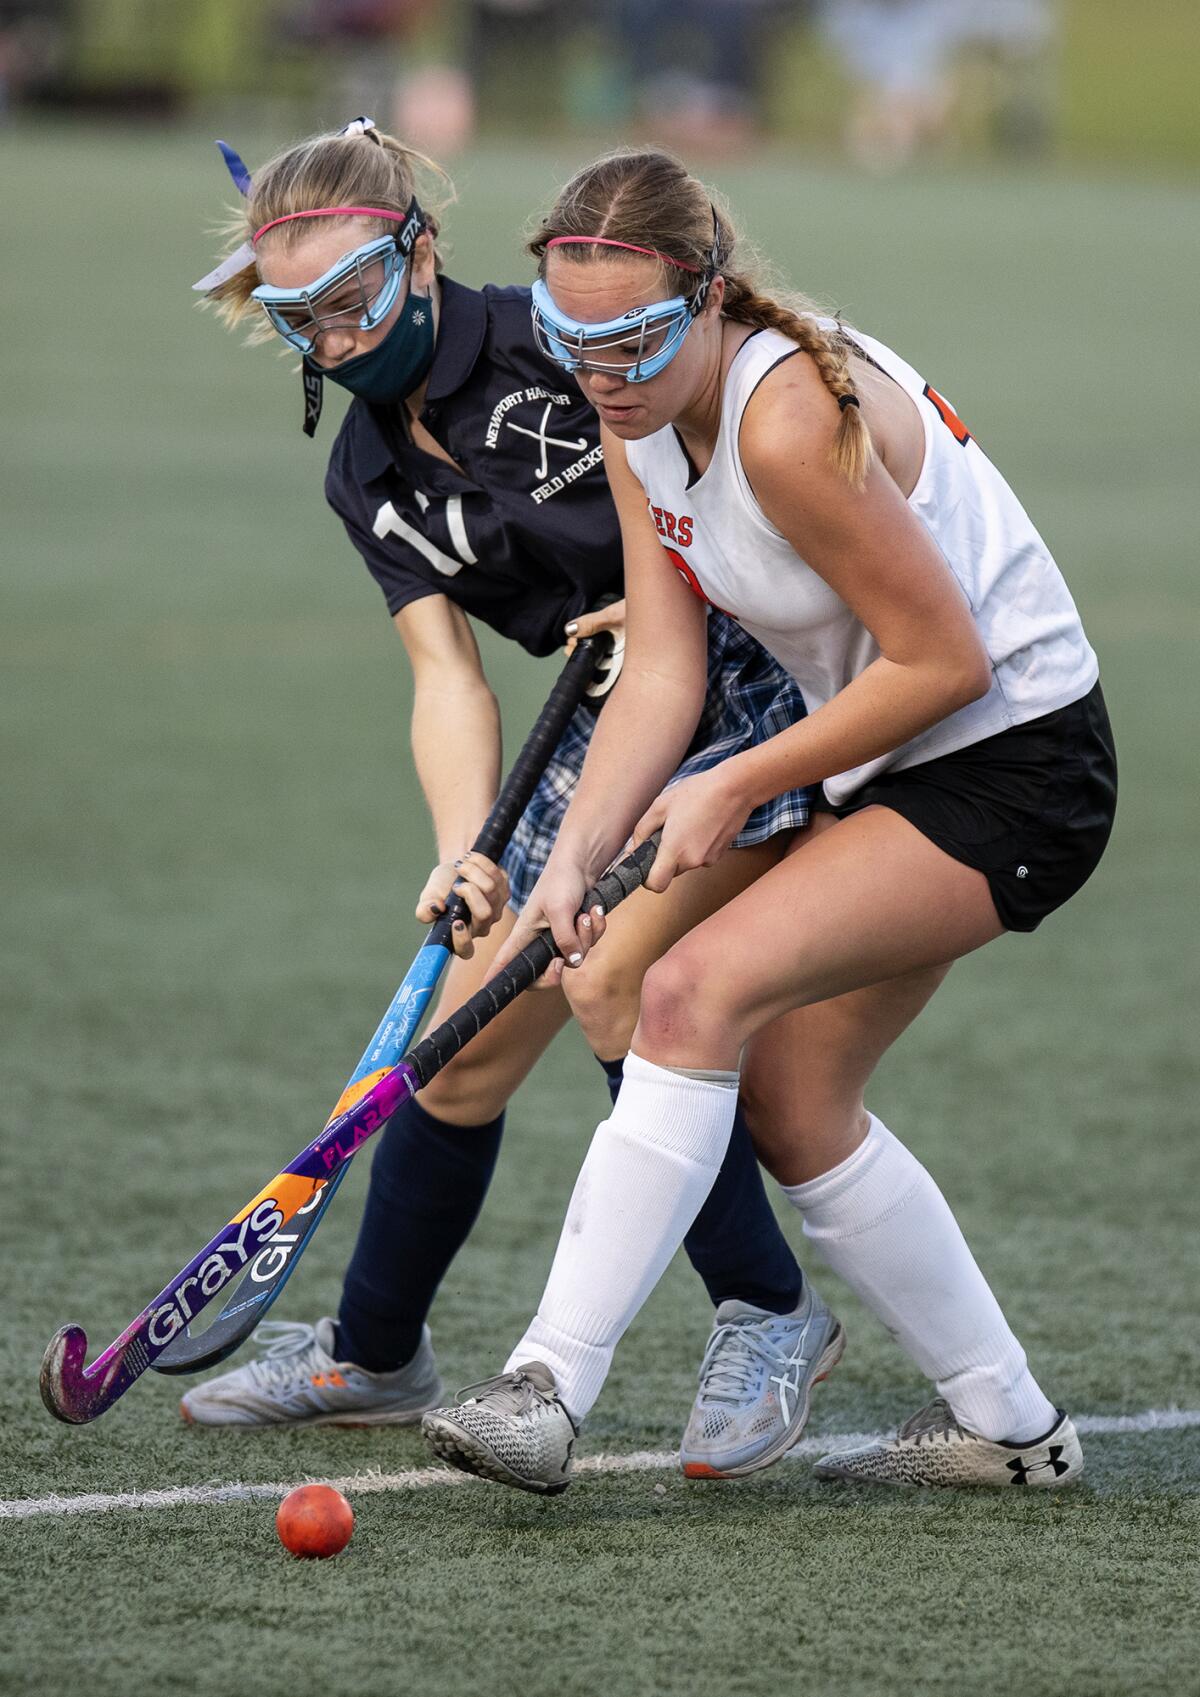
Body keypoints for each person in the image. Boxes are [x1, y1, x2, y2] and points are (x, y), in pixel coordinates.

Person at [421, 146, 1116, 1493]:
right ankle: (1020, 1431)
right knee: (797, 1103)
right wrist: (570, 857)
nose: (600, 374)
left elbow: (947, 664)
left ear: (712, 297)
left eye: (628, 341)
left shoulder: (787, 419)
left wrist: (735, 779)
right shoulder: (635, 418)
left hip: (1014, 762)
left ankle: (548, 1385)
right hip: (897, 761)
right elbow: (667, 669)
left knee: (684, 991)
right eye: (570, 341)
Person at [178, 121, 842, 1477]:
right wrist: (459, 852)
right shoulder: (362, 472)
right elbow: (449, 679)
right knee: (468, 1050)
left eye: (355, 297)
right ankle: (375, 1350)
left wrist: (666, 591)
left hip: (733, 690)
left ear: (420, 252)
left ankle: (771, 1312)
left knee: (610, 988)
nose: (338, 340)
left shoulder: (556, 338)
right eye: (301, 319)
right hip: (591, 726)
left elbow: (724, 462)